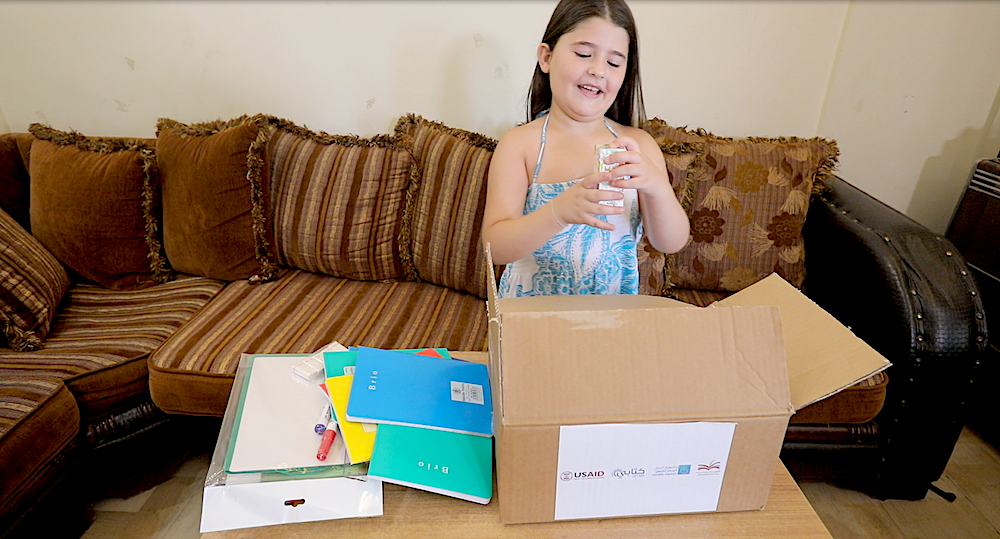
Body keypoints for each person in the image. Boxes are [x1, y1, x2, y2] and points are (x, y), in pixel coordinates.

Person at [483, 0, 689, 298]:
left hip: (609, 322)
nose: (597, 70)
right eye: (583, 54)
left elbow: (671, 242)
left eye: (614, 62)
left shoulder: (639, 145)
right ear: (546, 58)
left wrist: (657, 187)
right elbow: (495, 248)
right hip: (530, 321)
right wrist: (558, 212)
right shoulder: (521, 145)